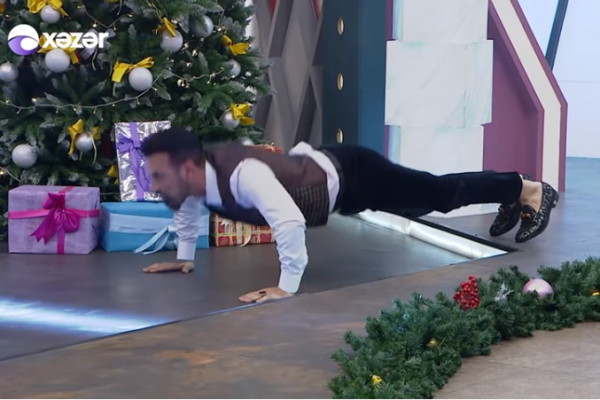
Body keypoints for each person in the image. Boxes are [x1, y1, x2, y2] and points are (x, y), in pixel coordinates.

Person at [140, 127, 559, 303]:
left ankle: (526, 189)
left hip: (356, 174)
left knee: (439, 196)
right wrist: (185, 257)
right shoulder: (196, 182)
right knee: (432, 196)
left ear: (188, 168)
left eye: (159, 176)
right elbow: (187, 207)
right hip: (336, 183)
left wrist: (286, 288)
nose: (155, 185)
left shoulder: (242, 173)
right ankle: (513, 192)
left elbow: (289, 220)